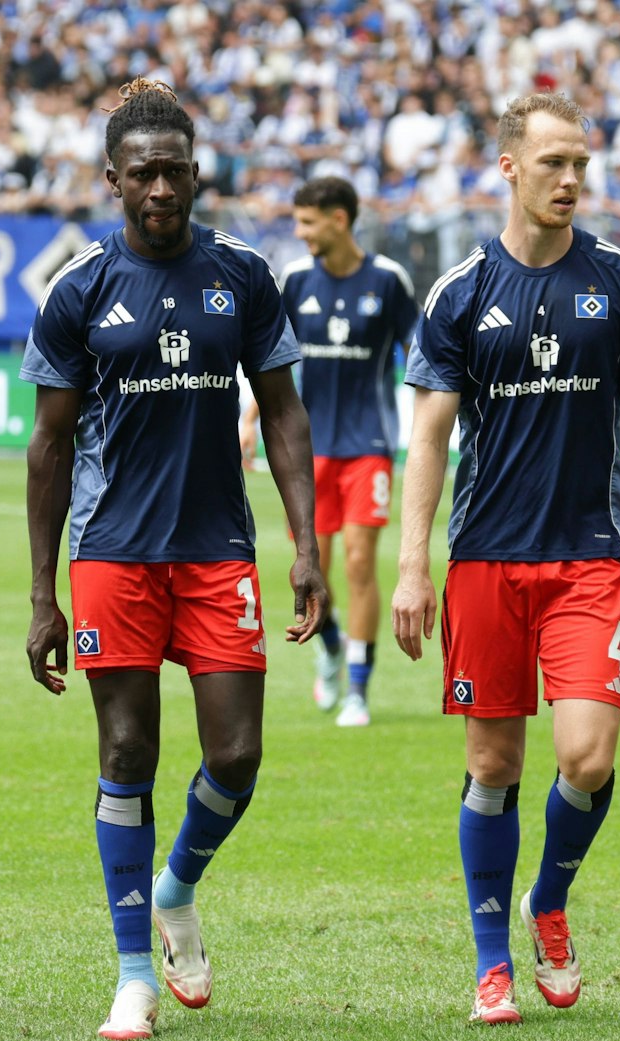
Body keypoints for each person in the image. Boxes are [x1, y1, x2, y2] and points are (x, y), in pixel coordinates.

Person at [22, 78, 327, 1041]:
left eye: (176, 170)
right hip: (112, 553)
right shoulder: (78, 288)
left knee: (237, 755)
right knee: (127, 754)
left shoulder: (242, 273)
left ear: (198, 174)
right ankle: (130, 978)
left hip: (215, 551)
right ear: (113, 181)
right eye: (142, 173)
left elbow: (281, 413)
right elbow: (49, 445)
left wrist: (307, 545)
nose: (161, 186)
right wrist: (42, 595)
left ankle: (177, 886)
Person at [392, 93, 620, 1025]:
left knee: (586, 757)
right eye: (552, 162)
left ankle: (547, 899)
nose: (569, 179)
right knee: (492, 759)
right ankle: (490, 962)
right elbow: (428, 437)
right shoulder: (462, 291)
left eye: (580, 165)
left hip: (592, 553)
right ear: (508, 167)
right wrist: (410, 563)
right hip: (485, 557)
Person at [247, 175, 417, 727]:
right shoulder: (294, 280)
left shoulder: (389, 281)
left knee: (361, 561)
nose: (299, 233)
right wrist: (249, 421)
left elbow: (422, 356)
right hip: (306, 450)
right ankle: (331, 649)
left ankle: (359, 690)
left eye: (307, 222)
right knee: (310, 564)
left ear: (338, 220)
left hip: (369, 443)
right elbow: (267, 360)